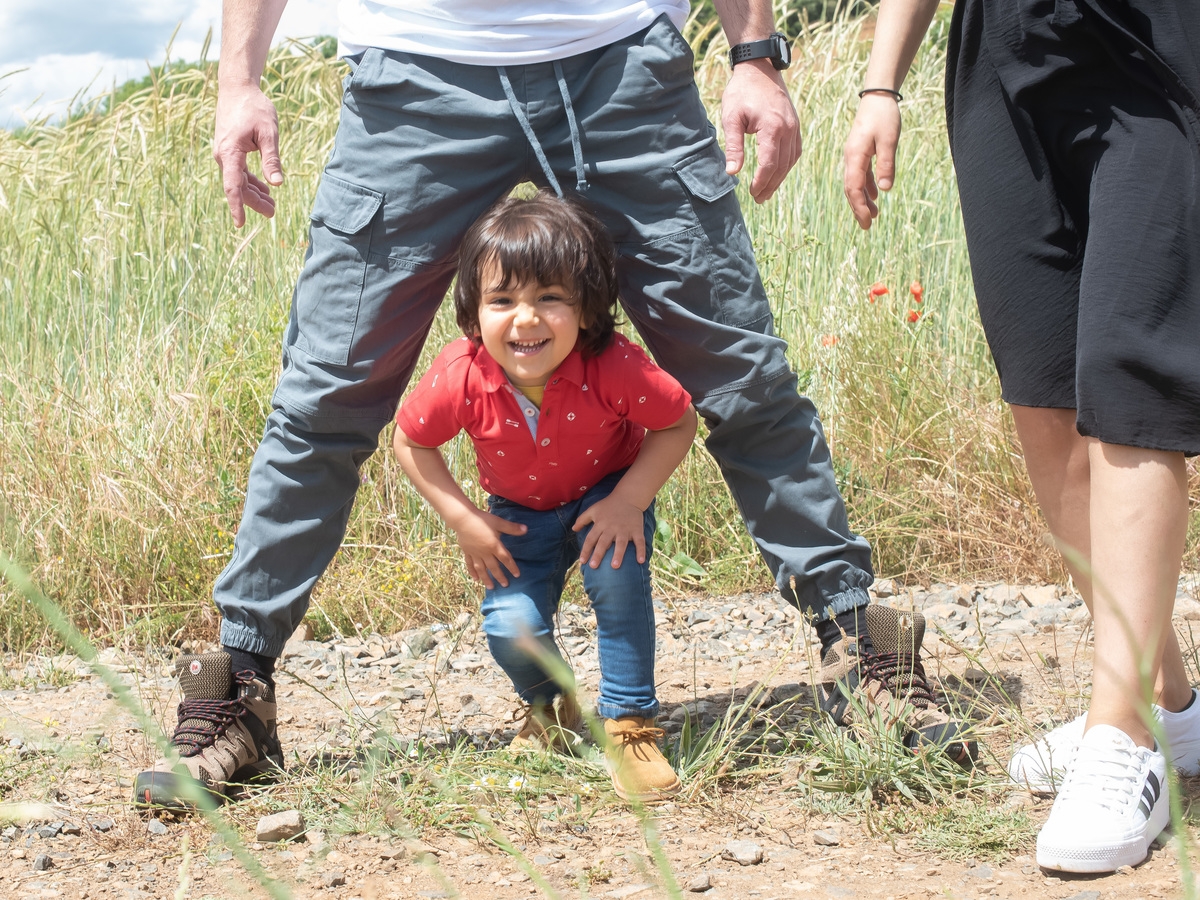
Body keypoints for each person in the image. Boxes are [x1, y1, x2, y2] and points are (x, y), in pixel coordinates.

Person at [133, 0, 970, 811]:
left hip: (620, 65)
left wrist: (755, 54)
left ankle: (860, 647)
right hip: (415, 75)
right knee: (323, 398)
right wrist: (237, 80)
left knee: (743, 378)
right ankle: (238, 688)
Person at [843, 0, 1200, 874]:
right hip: (1001, 58)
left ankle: (1119, 740)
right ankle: (1170, 705)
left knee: (1129, 371)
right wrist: (881, 80)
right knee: (1042, 391)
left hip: (1159, 48)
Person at [393, 192, 696, 801]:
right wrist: (462, 518)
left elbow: (677, 420)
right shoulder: (462, 375)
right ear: (474, 312)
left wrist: (630, 499)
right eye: (502, 300)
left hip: (604, 495)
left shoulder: (612, 365)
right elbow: (409, 441)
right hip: (515, 515)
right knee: (511, 626)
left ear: (585, 310)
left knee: (615, 577)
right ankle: (551, 706)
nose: (525, 319)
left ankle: (631, 725)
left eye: (549, 298)